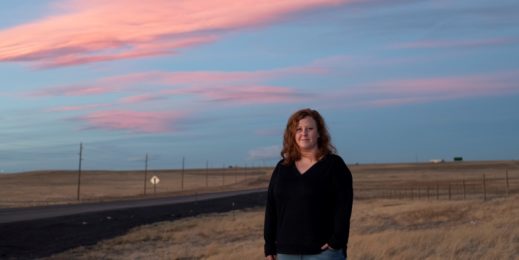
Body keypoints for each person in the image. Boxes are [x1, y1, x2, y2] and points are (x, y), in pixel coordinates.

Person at [264, 108, 353, 260]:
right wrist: (270, 246)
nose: (304, 133)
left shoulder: (334, 166)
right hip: (286, 253)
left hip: (323, 253)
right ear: (293, 134)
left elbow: (344, 207)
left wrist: (336, 241)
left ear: (319, 133)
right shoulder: (282, 168)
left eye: (309, 128)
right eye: (298, 129)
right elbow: (272, 208)